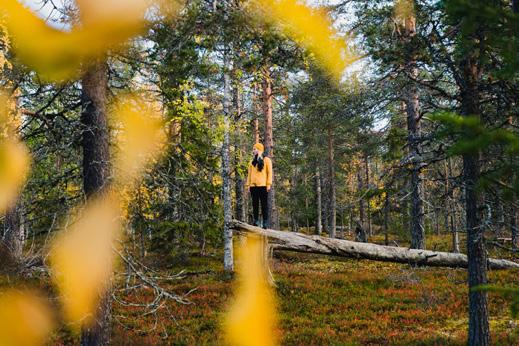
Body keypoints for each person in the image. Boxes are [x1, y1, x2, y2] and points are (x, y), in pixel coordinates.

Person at [245, 143, 272, 229]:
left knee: (264, 204)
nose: (254, 151)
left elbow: (269, 173)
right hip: (253, 186)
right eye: (253, 149)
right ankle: (256, 221)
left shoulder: (266, 160)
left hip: (263, 186)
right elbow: (249, 174)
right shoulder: (252, 162)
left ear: (260, 150)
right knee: (255, 204)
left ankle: (265, 222)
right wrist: (248, 185)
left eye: (255, 149)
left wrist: (268, 184)